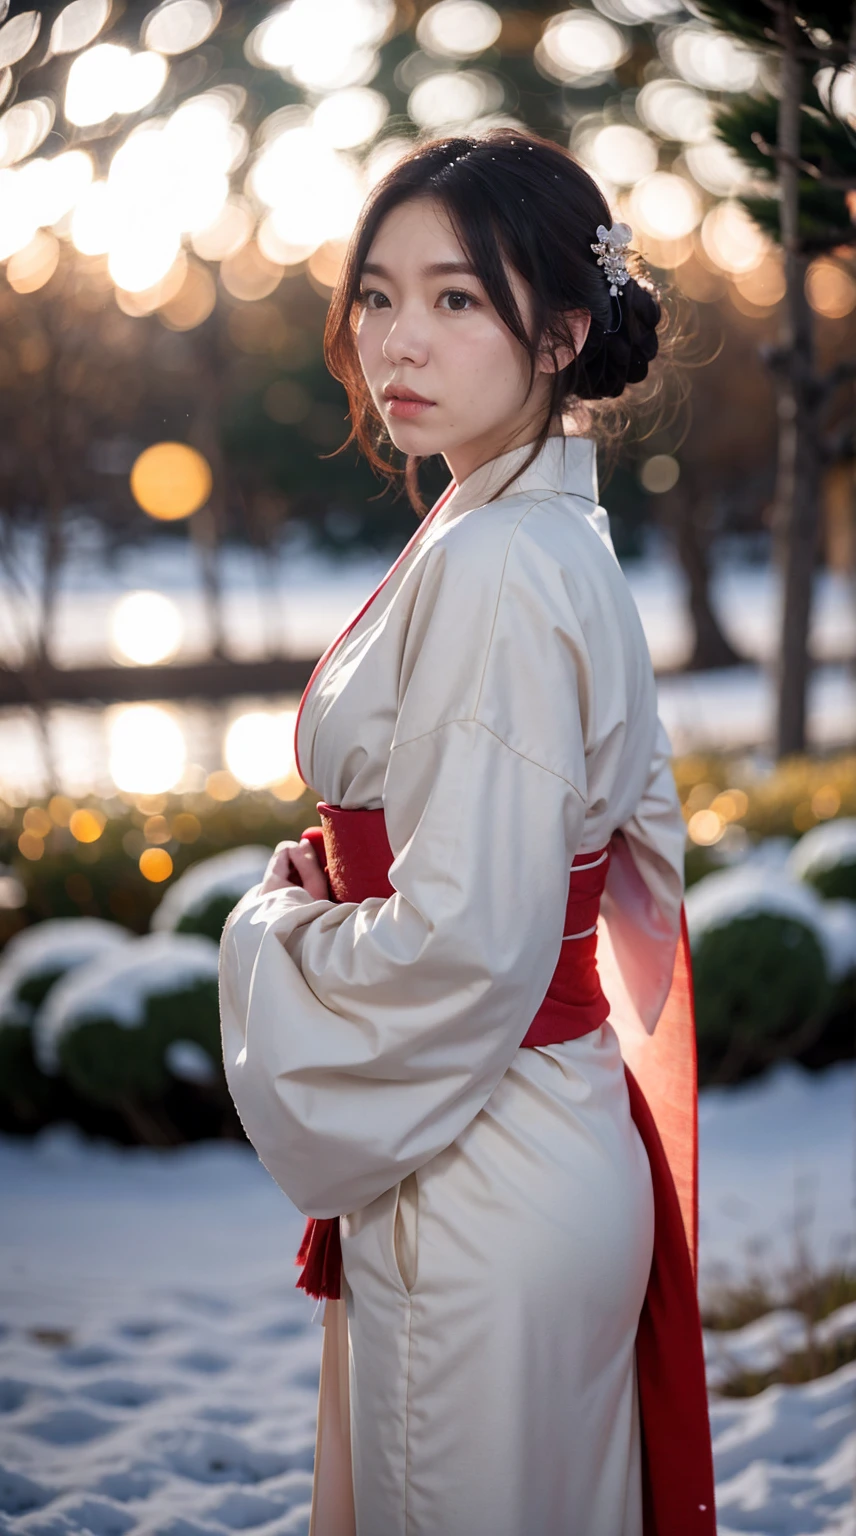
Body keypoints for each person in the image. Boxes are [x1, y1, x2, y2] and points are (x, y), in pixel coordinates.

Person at [218, 127, 716, 1536]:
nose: (397, 343)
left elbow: (471, 945)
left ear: (561, 331)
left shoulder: (500, 559)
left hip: (481, 1174)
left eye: (454, 298)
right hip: (534, 1141)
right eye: (376, 295)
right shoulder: (529, 531)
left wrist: (277, 935)